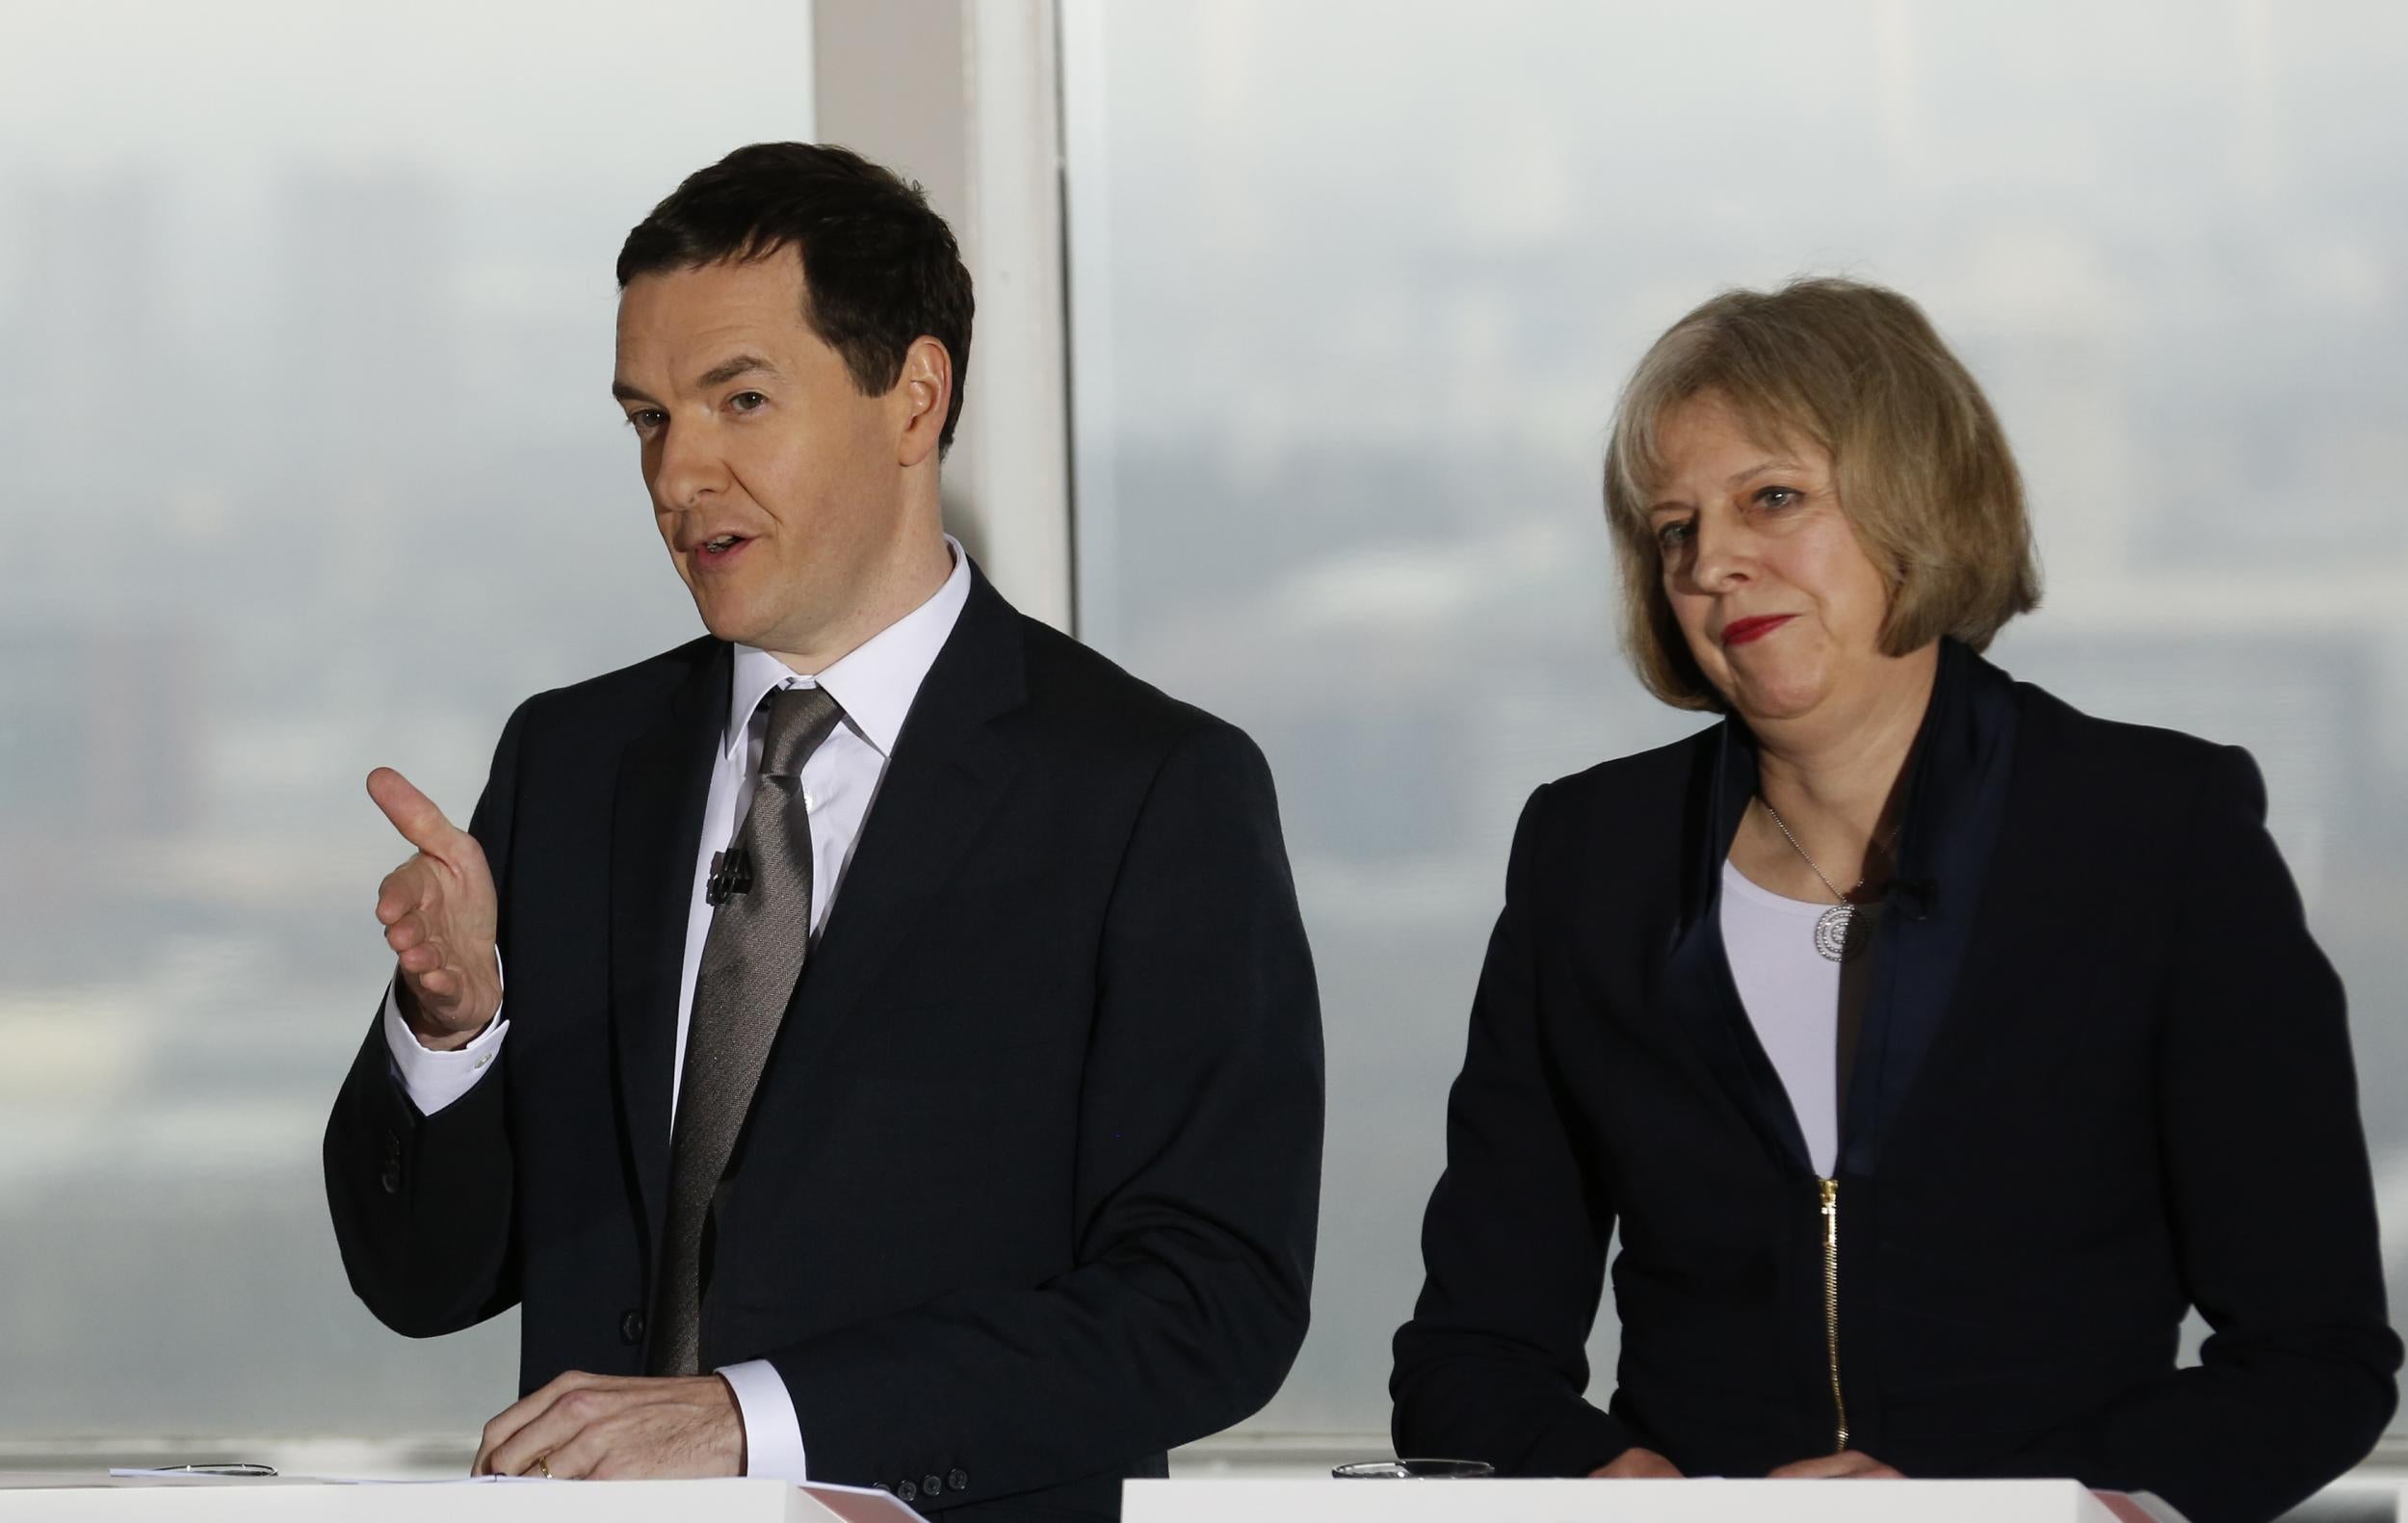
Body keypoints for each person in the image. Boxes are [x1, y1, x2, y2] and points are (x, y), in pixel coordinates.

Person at [323, 143, 1323, 1518]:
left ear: (914, 396)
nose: (682, 474)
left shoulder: (1151, 790)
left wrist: (757, 1423)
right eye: (648, 420)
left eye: (740, 400)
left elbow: (1213, 1300)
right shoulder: (568, 762)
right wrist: (451, 1027)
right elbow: (417, 1277)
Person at [1389, 277, 2399, 1523]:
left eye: (1772, 499)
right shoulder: (1588, 854)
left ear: (1918, 497)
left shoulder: (2158, 830)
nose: (1713, 564)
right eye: (1673, 529)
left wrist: (2078, 1506)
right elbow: (1470, 1353)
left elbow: (2315, 1351)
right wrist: (1636, 1493)